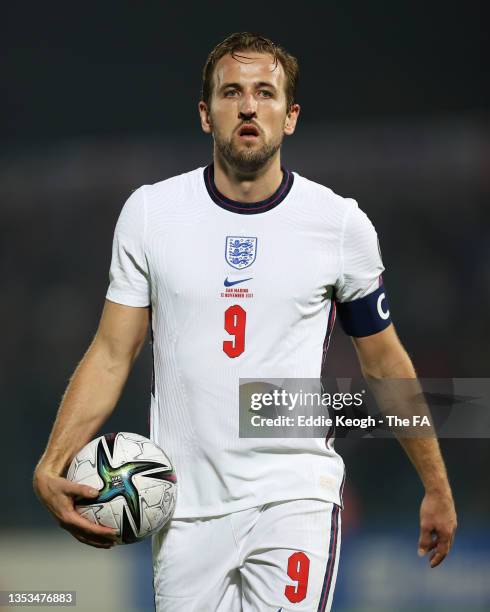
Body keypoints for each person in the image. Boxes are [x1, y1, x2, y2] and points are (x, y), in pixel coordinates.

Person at [33, 32, 457, 611]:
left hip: (295, 496)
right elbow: (112, 352)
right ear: (207, 116)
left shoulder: (339, 224)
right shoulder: (152, 214)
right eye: (232, 93)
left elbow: (385, 360)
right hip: (181, 508)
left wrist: (435, 483)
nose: (249, 106)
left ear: (291, 117)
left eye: (265, 93)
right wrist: (52, 461)